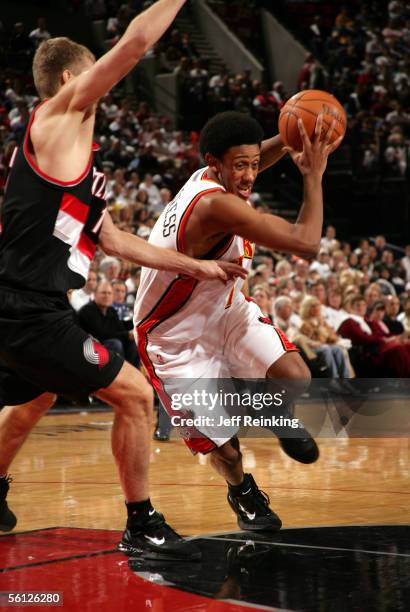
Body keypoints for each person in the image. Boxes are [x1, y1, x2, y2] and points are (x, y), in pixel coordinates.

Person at [0, 0, 246, 560]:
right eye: (95, 71)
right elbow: (135, 43)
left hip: (27, 305)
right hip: (27, 305)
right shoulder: (57, 116)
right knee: (136, 398)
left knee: (33, 400)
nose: (104, 84)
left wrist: (199, 265)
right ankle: (141, 521)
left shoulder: (74, 164)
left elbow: (114, 240)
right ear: (69, 78)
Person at [134, 110, 342, 532]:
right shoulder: (214, 206)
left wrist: (289, 135)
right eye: (240, 166)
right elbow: (306, 243)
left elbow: (255, 154)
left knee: (295, 376)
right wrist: (314, 173)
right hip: (173, 337)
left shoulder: (207, 176)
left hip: (224, 311)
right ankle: (243, 492)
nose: (249, 175)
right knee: (226, 452)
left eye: (252, 164)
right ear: (216, 165)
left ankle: (268, 410)